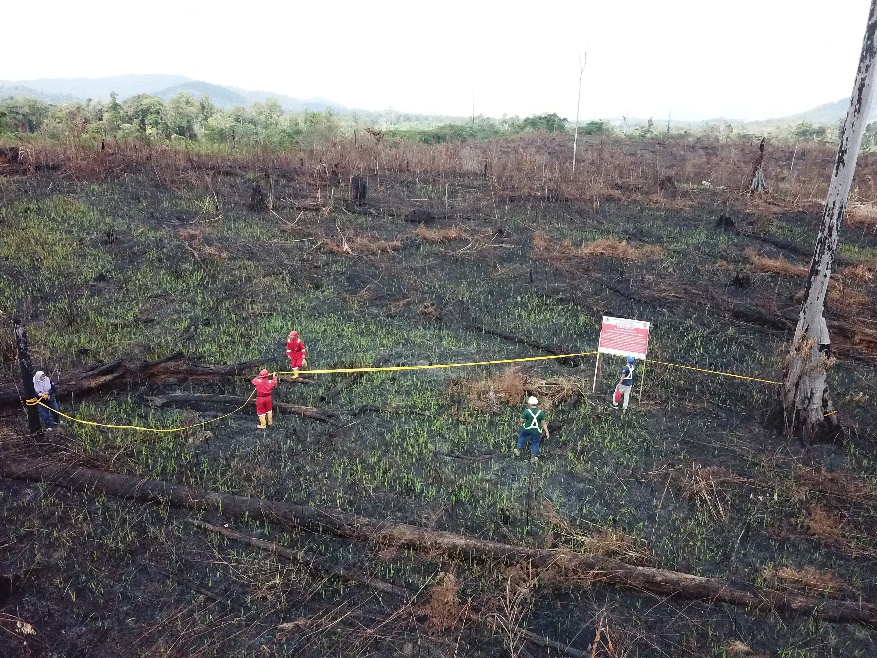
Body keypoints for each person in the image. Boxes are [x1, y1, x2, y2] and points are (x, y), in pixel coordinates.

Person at [514, 396, 549, 463]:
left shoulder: (527, 411)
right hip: (536, 431)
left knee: (522, 437)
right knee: (535, 443)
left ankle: (518, 451)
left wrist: (520, 424)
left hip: (527, 429)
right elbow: (543, 423)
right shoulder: (541, 412)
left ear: (530, 404)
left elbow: (521, 420)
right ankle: (533, 458)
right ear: (536, 404)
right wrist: (547, 432)